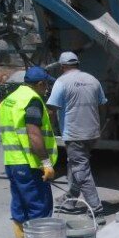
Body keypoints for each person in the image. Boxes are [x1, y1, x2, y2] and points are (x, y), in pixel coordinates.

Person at [0, 66, 58, 238]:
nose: (46, 89)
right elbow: (33, 134)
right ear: (40, 84)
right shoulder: (32, 100)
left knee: (19, 207)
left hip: (12, 162)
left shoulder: (10, 99)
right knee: (39, 208)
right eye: (46, 85)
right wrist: (46, 163)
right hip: (30, 165)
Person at [47, 51, 108, 221]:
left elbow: (52, 108)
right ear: (77, 64)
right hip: (92, 133)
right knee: (74, 163)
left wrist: (46, 130)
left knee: (81, 170)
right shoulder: (93, 80)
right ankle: (70, 200)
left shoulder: (62, 82)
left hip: (75, 134)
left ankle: (96, 209)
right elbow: (103, 105)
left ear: (62, 66)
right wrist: (99, 126)